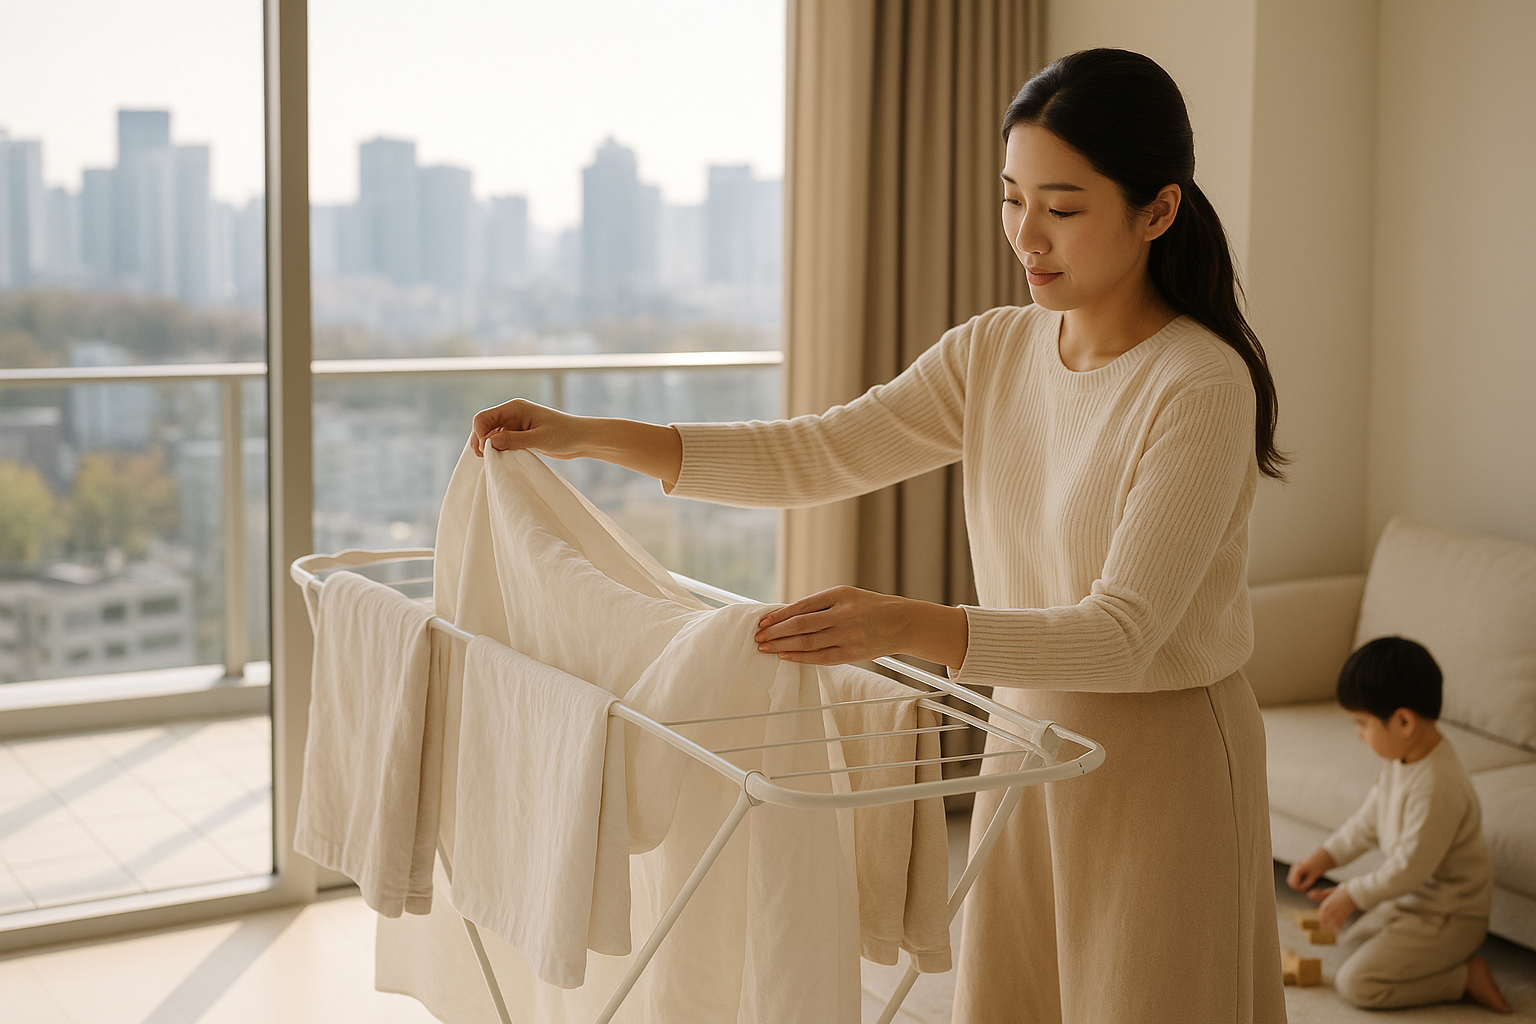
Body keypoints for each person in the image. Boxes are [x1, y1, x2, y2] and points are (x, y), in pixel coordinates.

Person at [471, 48, 1287, 1024]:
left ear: (1157, 210)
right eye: (1012, 197)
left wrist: (902, 624)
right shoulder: (995, 349)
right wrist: (583, 435)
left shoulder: (1197, 386)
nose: (1028, 234)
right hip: (1026, 746)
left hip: (1162, 768)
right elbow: (814, 454)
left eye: (1063, 207)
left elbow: (1124, 633)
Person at [1286, 637, 1510, 1013]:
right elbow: (1369, 822)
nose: (1358, 734)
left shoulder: (1438, 785)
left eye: (1362, 723)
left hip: (1449, 915)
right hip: (1411, 902)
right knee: (1349, 944)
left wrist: (1352, 894)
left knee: (1357, 983)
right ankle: (1410, 950)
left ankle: (1464, 977)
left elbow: (1410, 868)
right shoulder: (1402, 760)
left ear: (1404, 722)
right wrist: (1326, 856)